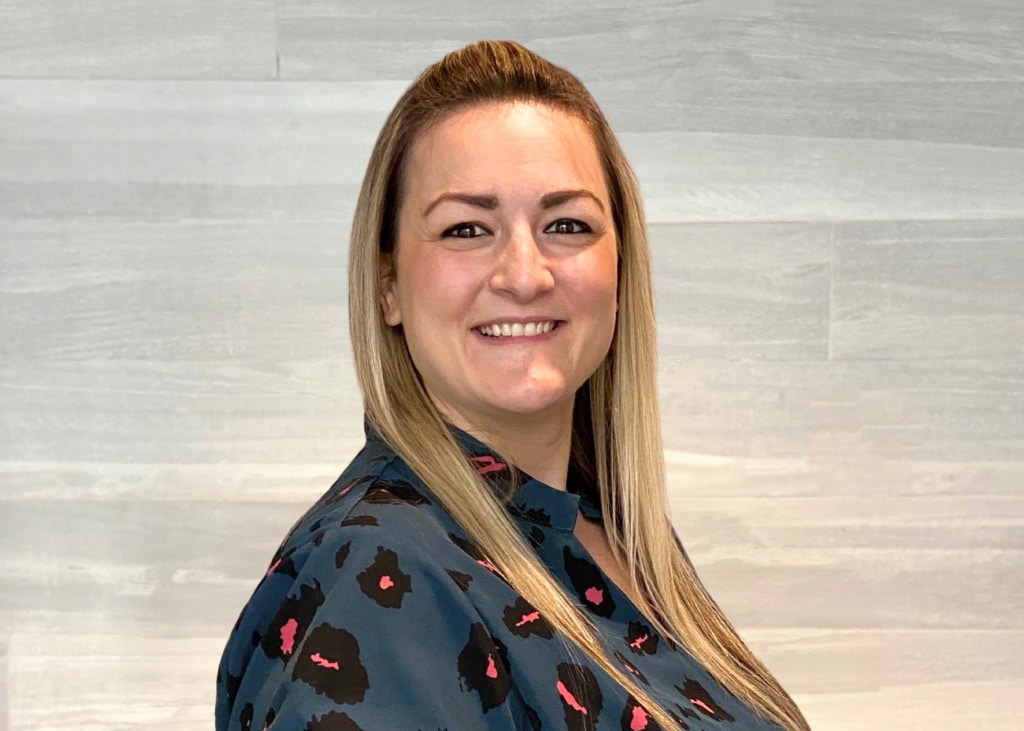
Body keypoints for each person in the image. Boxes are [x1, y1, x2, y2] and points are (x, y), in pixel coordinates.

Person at [216, 40, 809, 731]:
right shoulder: (375, 578)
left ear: (621, 271)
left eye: (567, 224)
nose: (525, 275)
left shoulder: (610, 532)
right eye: (467, 228)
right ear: (388, 287)